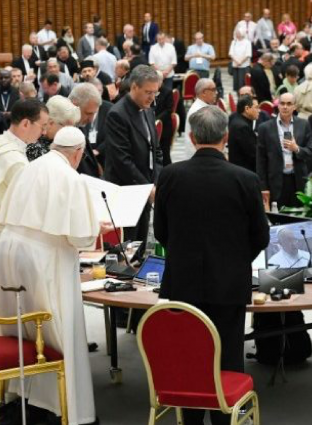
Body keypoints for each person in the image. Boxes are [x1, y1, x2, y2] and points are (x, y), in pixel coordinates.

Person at [154, 106, 269, 425]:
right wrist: (235, 260)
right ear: (226, 137)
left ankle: (191, 418)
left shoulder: (170, 175)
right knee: (229, 356)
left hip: (183, 282)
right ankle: (225, 418)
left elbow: (161, 232)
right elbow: (261, 236)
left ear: (191, 137)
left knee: (190, 357)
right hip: (229, 283)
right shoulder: (245, 179)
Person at [0, 127, 108, 425]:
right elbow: (80, 236)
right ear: (78, 153)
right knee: (54, 328)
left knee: (24, 327)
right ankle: (61, 405)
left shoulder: (31, 165)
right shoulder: (71, 177)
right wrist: (96, 228)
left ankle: (26, 398)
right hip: (42, 258)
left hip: (9, 249)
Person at [0, 99, 49, 296]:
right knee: (7, 302)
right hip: (6, 238)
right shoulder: (14, 160)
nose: (44, 132)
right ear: (26, 123)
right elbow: (26, 208)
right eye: (42, 126)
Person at [103, 65, 163, 258]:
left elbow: (156, 150)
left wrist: (156, 181)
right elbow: (122, 160)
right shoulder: (117, 114)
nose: (152, 97)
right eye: (148, 92)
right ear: (134, 87)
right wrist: (147, 188)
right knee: (126, 249)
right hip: (126, 189)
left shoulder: (148, 110)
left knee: (141, 245)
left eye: (155, 92)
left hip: (145, 186)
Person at [256, 92, 312, 208]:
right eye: (282, 103)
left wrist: (296, 148)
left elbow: (310, 152)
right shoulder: (265, 128)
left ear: (294, 106)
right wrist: (263, 187)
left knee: (297, 216)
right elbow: (261, 160)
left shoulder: (303, 124)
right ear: (278, 105)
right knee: (278, 216)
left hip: (297, 180)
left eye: (289, 104)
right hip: (276, 181)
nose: (285, 107)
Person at [26, 95, 80, 162]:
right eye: (67, 128)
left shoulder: (58, 142)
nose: (69, 133)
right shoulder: (33, 145)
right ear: (51, 122)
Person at [227, 94, 260, 172]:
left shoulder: (235, 118)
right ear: (247, 109)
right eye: (256, 107)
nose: (259, 110)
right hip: (244, 171)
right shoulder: (243, 127)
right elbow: (254, 155)